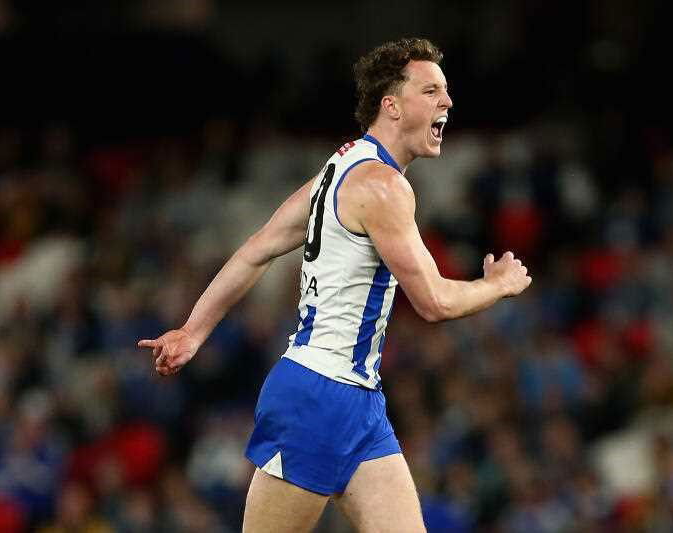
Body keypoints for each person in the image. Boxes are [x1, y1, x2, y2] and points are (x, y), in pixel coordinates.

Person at [137, 37, 532, 533]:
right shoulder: (381, 186)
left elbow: (258, 247)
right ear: (391, 105)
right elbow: (435, 302)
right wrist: (498, 284)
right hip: (317, 397)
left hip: (358, 403)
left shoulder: (337, 168)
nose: (447, 102)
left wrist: (194, 331)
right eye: (431, 91)